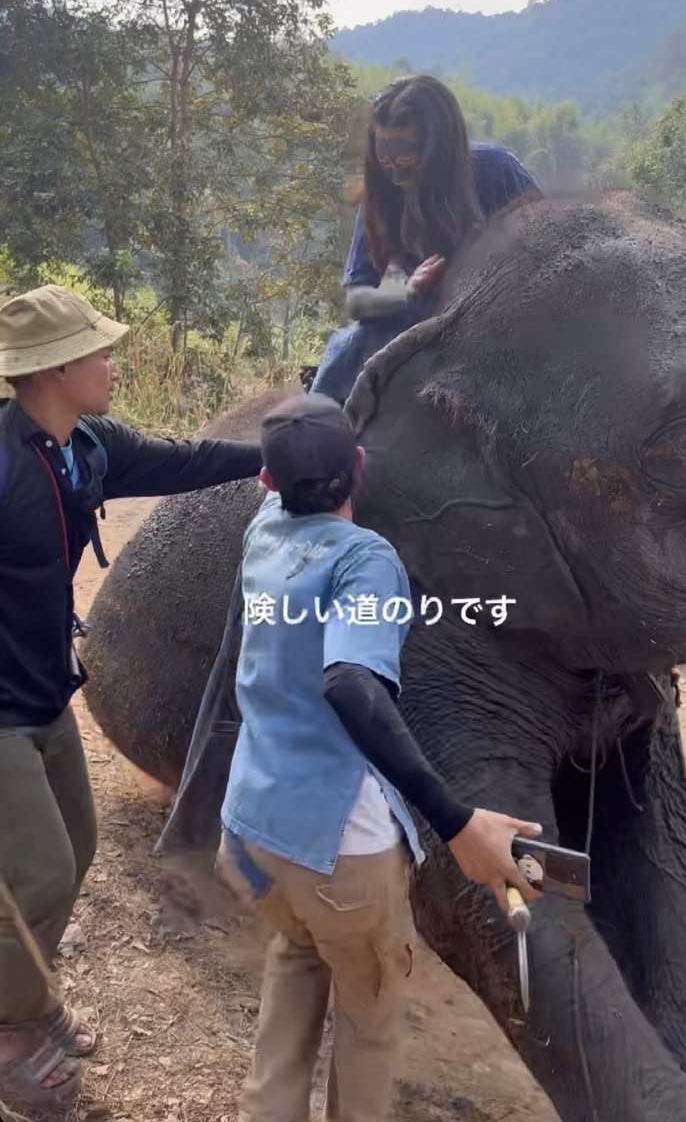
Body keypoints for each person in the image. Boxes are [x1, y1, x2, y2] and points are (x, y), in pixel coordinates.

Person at [215, 391, 543, 1122]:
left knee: (299, 954)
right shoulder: (367, 562)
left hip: (253, 833)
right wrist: (456, 824)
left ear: (267, 484)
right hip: (339, 851)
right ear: (359, 467)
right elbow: (351, 684)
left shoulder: (264, 531)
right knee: (368, 1021)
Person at [0, 285, 266, 1112]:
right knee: (36, 871)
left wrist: (266, 458)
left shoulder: (88, 448)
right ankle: (12, 1035)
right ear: (53, 368)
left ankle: (28, 1001)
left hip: (46, 692)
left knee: (74, 852)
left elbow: (183, 458)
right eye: (100, 352)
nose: (113, 364)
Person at [309, 74, 542, 404]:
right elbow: (357, 301)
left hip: (499, 327)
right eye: (385, 162)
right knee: (347, 345)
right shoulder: (382, 197)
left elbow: (551, 243)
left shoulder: (496, 172)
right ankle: (304, 442)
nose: (395, 177)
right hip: (408, 335)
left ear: (442, 152)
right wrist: (406, 292)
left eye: (407, 161)